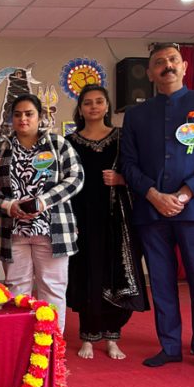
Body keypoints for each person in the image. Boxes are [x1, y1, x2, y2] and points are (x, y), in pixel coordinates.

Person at [122, 42, 194, 372]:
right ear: (151, 73)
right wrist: (154, 195)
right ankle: (169, 345)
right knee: (161, 281)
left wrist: (186, 193)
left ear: (184, 66)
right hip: (151, 212)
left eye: (172, 60)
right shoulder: (137, 114)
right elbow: (128, 164)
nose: (166, 66)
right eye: (159, 62)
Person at [66, 85, 149, 360]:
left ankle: (113, 336)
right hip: (83, 218)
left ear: (108, 106)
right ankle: (88, 335)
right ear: (80, 109)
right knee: (86, 273)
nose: (93, 107)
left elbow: (139, 171)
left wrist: (122, 180)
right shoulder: (70, 142)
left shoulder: (121, 138)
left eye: (99, 101)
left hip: (117, 217)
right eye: (87, 103)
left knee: (116, 272)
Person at [0, 93, 84, 332]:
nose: (23, 119)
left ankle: (51, 349)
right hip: (14, 233)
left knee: (52, 289)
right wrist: (9, 205)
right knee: (16, 289)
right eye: (18, 114)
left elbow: (76, 178)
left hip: (52, 232)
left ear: (39, 116)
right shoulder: (1, 148)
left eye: (29, 114)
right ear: (11, 118)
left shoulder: (58, 144)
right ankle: (19, 348)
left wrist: (43, 201)